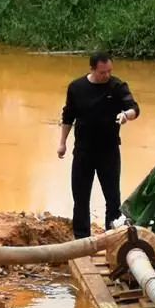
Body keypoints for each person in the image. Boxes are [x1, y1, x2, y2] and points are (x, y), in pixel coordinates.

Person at [57, 51, 140, 239]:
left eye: (109, 71)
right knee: (80, 198)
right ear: (92, 69)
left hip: (108, 152)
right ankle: (82, 240)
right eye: (103, 72)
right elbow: (68, 116)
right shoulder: (76, 88)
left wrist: (126, 115)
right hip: (83, 151)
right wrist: (62, 143)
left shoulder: (117, 86)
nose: (107, 75)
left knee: (113, 198)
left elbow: (134, 108)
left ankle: (112, 238)